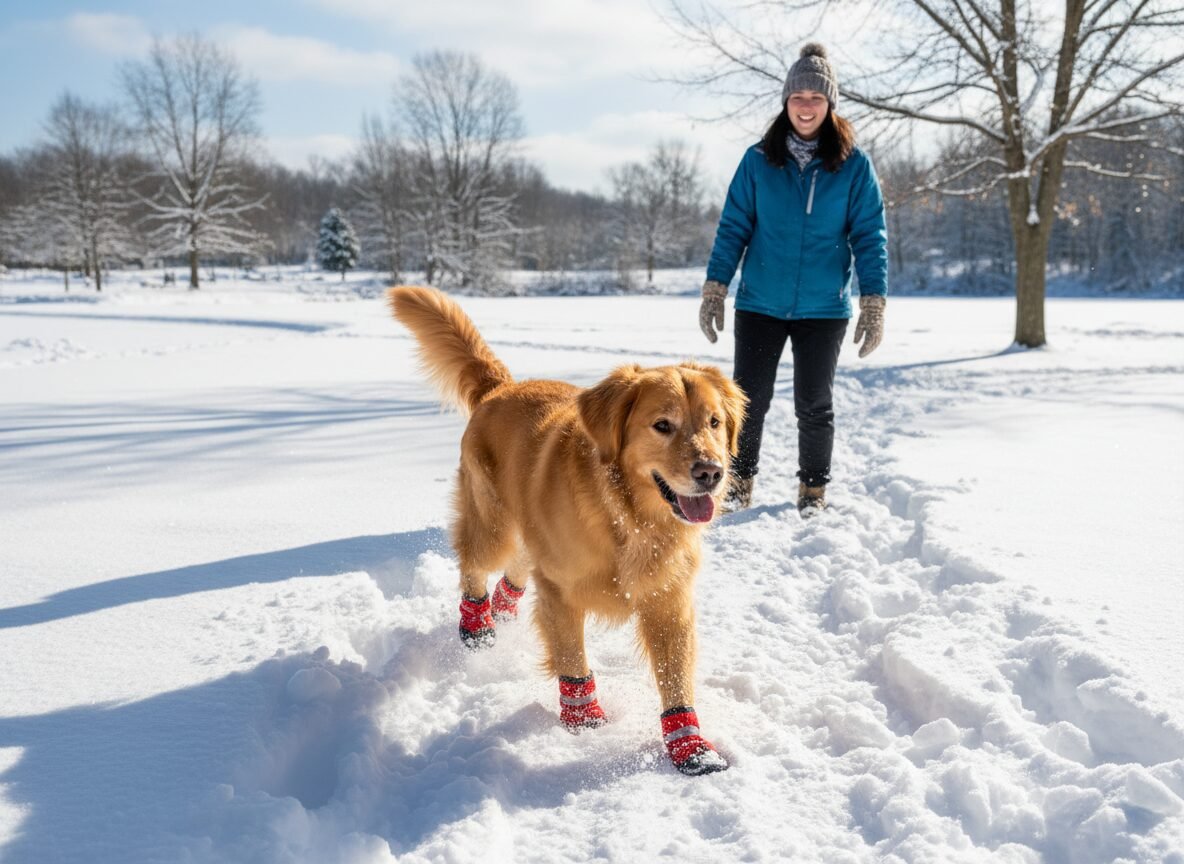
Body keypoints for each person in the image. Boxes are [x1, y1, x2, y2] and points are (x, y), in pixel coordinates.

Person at [699, 42, 888, 514]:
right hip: (761, 301)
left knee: (814, 404)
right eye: (798, 97)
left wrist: (873, 301)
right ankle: (739, 485)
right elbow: (733, 227)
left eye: (816, 98)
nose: (806, 106)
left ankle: (812, 491)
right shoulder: (758, 160)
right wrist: (716, 287)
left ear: (830, 105)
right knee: (747, 404)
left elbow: (870, 236)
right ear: (786, 102)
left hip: (823, 307)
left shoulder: (854, 166)